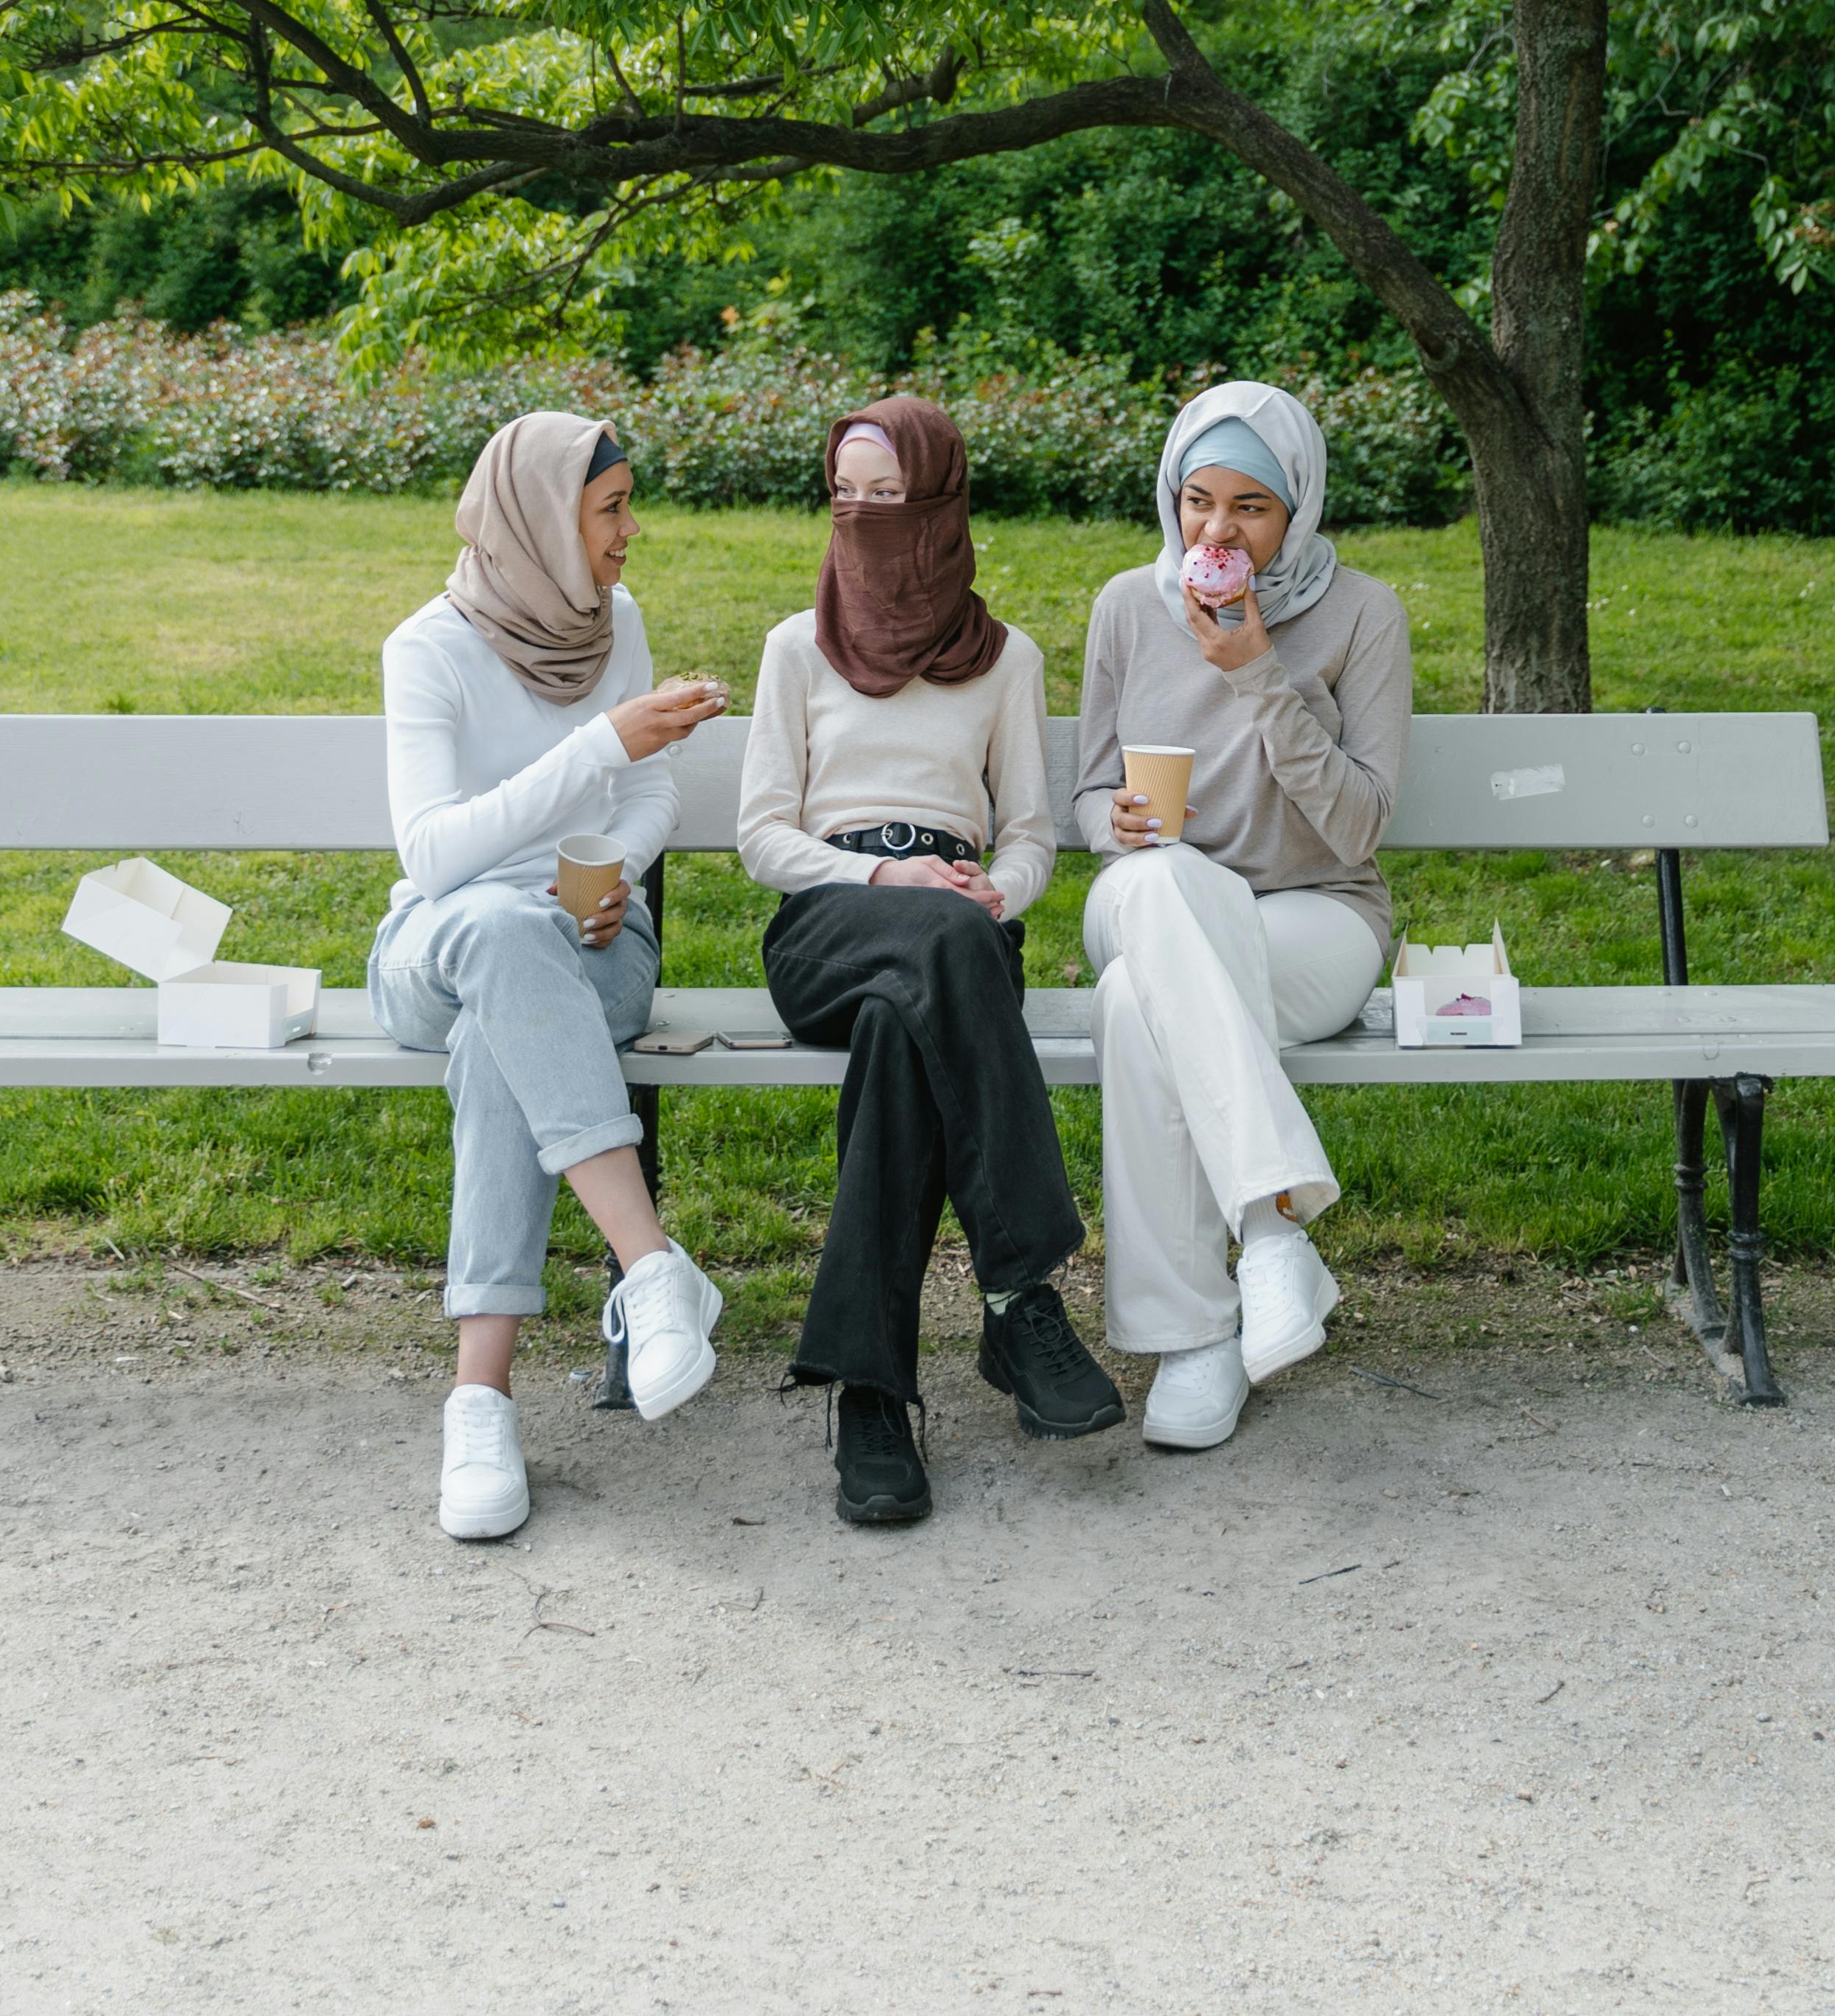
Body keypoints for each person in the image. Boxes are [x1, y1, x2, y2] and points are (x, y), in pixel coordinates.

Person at [739, 394, 1124, 1528]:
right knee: (943, 953)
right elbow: (764, 837)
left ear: (941, 506)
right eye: (843, 497)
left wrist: (997, 889)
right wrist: (888, 881)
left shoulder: (1007, 661)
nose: (860, 518)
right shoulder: (794, 648)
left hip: (956, 937)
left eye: (887, 498)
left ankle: (870, 1394)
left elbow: (1033, 838)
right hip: (831, 922)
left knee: (906, 1034)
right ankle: (1019, 1292)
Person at [367, 409, 731, 1542]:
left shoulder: (612, 620)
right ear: (540, 518)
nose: (633, 533)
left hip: (593, 947)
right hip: (439, 948)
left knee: (504, 1032)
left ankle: (480, 1399)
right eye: (612, 509)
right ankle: (653, 1265)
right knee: (496, 934)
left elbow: (646, 794)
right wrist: (602, 743)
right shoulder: (426, 647)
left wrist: (615, 866)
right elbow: (430, 857)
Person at [1072, 378, 1414, 1452]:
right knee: (1162, 893)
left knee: (1137, 1004)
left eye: (1251, 508)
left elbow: (1360, 825)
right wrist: (1112, 824)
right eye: (1198, 500)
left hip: (1311, 919)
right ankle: (1274, 1240)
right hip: (1149, 891)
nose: (1216, 530)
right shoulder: (1130, 605)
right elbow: (1087, 790)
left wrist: (1261, 672)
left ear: (1297, 510)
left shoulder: (1363, 614)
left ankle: (1193, 1342)